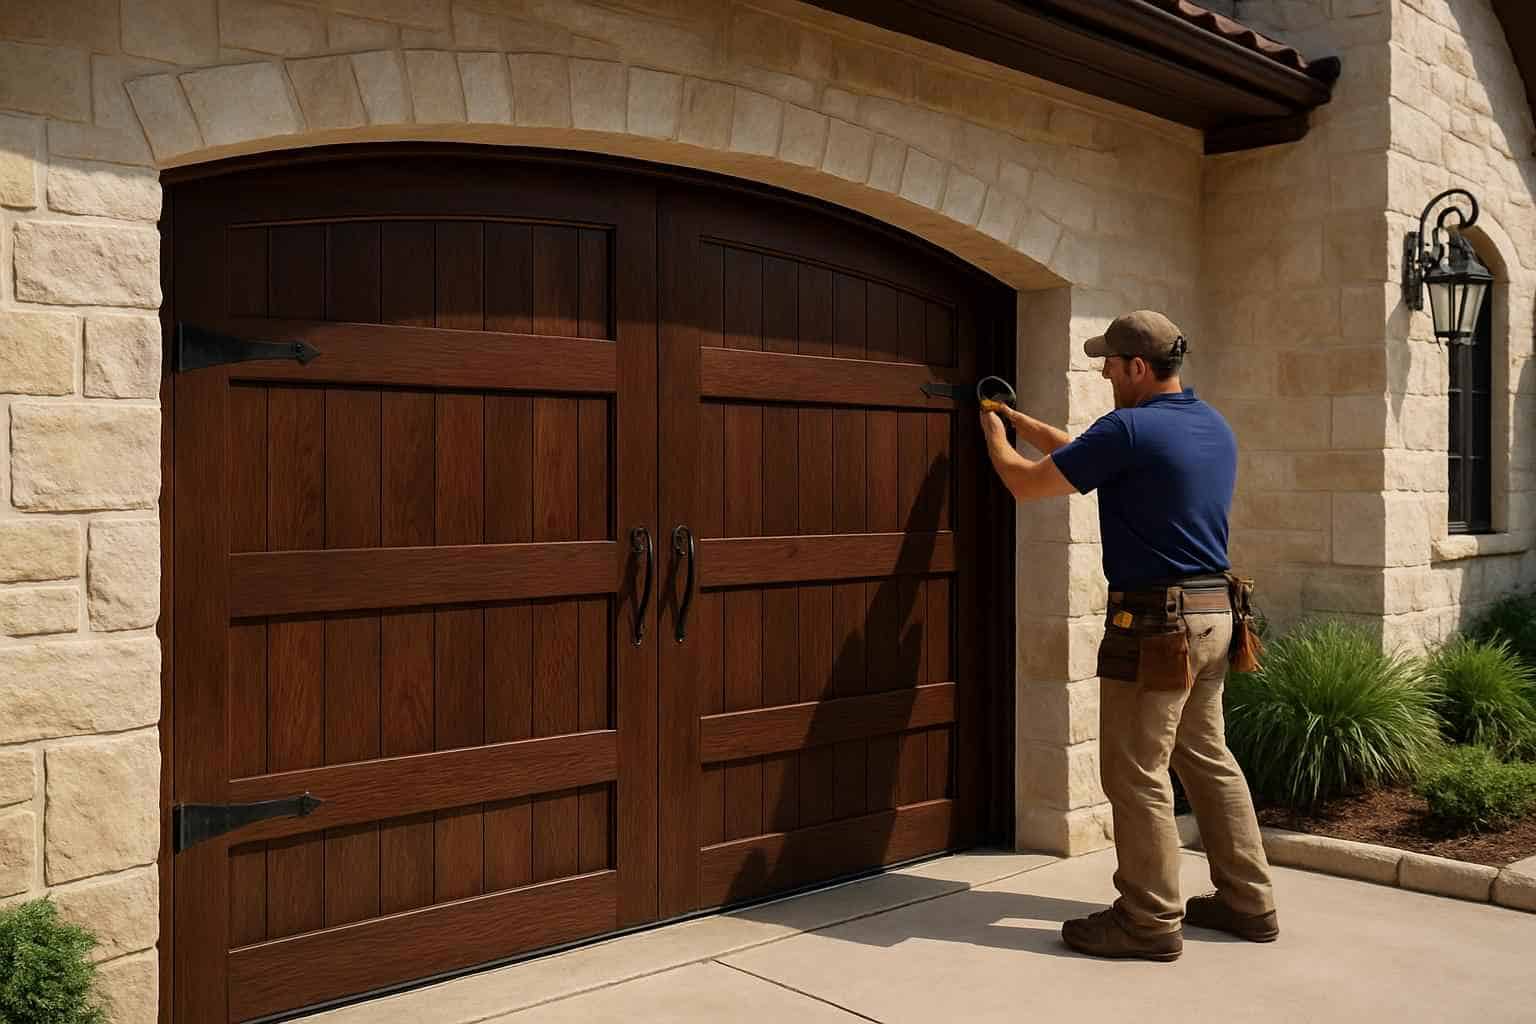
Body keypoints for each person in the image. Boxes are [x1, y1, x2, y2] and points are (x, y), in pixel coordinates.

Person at [979, 309, 1277, 963]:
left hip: (1156, 627)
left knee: (1135, 770)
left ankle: (1148, 920)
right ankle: (1248, 901)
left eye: (1109, 364)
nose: (1104, 374)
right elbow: (1087, 454)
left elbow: (1024, 483)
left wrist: (991, 433)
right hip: (1214, 616)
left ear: (1138, 367)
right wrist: (1023, 423)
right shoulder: (1210, 424)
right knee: (1207, 757)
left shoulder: (1128, 429)